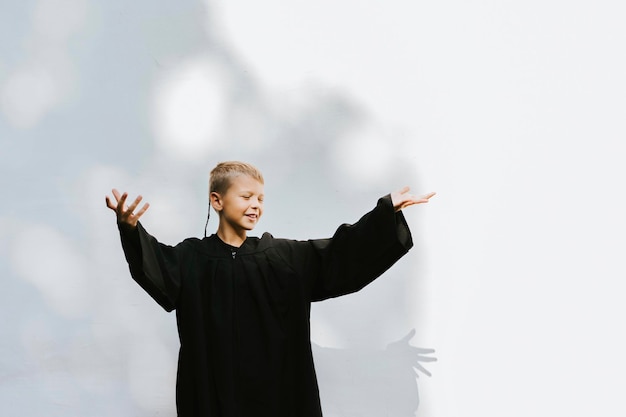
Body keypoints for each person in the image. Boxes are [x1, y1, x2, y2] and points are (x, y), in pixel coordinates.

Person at [105, 161, 435, 417]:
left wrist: (385, 213)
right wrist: (131, 230)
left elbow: (342, 254)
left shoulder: (285, 258)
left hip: (279, 403)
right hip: (212, 403)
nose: (255, 205)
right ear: (216, 200)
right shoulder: (190, 260)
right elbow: (156, 269)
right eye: (245, 196)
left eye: (260, 198)